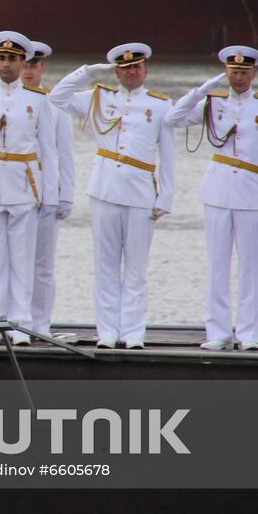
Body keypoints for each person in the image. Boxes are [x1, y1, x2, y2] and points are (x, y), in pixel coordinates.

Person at [50, 43, 175, 349]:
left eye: (136, 67)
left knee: (135, 267)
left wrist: (166, 198)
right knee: (105, 266)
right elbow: (57, 97)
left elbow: (169, 156)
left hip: (141, 191)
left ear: (145, 71)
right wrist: (87, 73)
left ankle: (133, 333)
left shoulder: (160, 105)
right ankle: (108, 332)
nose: (131, 72)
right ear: (117, 71)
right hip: (105, 189)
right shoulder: (98, 97)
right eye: (125, 68)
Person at [166, 45, 258, 351]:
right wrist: (202, 90)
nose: (238, 77)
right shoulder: (212, 102)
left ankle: (248, 334)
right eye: (233, 72)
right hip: (218, 190)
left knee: (250, 267)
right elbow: (173, 119)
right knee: (217, 265)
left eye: (244, 72)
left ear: (254, 73)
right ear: (226, 73)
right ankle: (218, 332)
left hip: (251, 192)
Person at [0, 32, 58, 345]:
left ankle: (21, 323)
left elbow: (48, 152)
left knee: (22, 257)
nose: (6, 64)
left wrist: (50, 195)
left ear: (22, 63)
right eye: (1, 58)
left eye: (12, 59)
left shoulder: (38, 100)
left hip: (23, 184)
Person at [20, 41, 76, 340]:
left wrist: (64, 195)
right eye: (24, 64)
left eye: (33, 65)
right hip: (16, 191)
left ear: (43, 67)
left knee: (42, 263)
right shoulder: (9, 101)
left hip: (46, 193)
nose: (28, 71)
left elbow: (64, 153)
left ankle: (40, 323)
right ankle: (16, 320)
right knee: (15, 261)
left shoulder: (55, 103)